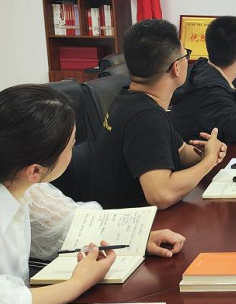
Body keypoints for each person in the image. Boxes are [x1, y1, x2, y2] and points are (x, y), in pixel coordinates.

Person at [0, 85, 186, 304]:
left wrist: (136, 239)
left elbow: (71, 223)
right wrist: (77, 284)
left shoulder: (21, 185)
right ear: (35, 170)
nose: (74, 149)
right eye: (72, 144)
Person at [91, 19, 226, 210]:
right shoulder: (145, 116)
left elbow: (181, 151)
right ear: (176, 68)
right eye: (186, 55)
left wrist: (207, 152)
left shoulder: (129, 99)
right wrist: (209, 161)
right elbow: (161, 194)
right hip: (128, 222)